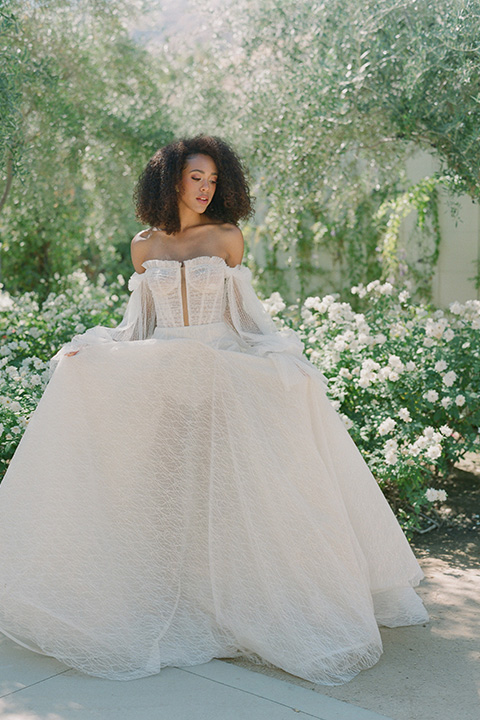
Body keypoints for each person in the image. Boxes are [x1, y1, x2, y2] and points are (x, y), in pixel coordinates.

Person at [0, 135, 428, 685]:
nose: (205, 189)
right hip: (164, 382)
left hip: (221, 376)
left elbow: (246, 319)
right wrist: (95, 348)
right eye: (195, 178)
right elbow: (140, 327)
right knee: (169, 490)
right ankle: (177, 603)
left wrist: (283, 358)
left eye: (212, 180)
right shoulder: (143, 246)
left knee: (231, 493)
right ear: (171, 179)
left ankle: (240, 606)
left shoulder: (228, 237)